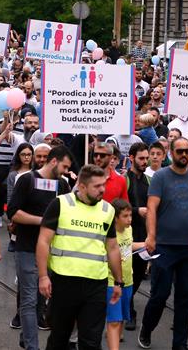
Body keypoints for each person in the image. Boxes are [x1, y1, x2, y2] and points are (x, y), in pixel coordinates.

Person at [36, 164, 122, 350]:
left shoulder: (108, 210)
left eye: (103, 185)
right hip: (65, 281)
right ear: (82, 186)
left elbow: (113, 247)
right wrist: (43, 276)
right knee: (59, 336)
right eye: (97, 186)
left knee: (91, 341)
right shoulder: (60, 204)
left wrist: (118, 281)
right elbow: (43, 241)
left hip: (96, 283)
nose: (102, 189)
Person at [138, 137, 188, 350]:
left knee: (186, 298)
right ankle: (147, 328)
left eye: (187, 151)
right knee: (160, 295)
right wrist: (151, 236)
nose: (184, 155)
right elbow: (151, 208)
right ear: (172, 153)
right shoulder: (161, 177)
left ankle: (180, 344)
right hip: (165, 247)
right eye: (180, 151)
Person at [7, 145, 74, 348]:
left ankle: (29, 336)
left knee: (46, 301)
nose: (65, 171)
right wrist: (43, 221)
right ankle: (32, 346)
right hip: (27, 248)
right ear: (53, 161)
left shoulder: (62, 185)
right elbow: (13, 212)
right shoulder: (27, 180)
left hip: (54, 251)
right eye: (64, 166)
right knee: (28, 300)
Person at [106, 199, 143, 350]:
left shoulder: (129, 229)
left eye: (130, 215)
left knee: (120, 319)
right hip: (111, 281)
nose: (130, 219)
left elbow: (129, 246)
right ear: (116, 218)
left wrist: (144, 244)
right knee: (114, 321)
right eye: (125, 216)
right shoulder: (109, 233)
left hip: (128, 279)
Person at [124, 142, 150, 331]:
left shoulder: (149, 181)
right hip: (126, 234)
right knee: (127, 274)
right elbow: (118, 206)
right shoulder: (124, 179)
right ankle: (129, 312)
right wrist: (136, 210)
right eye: (141, 158)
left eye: (146, 158)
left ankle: (128, 302)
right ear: (132, 158)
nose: (145, 161)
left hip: (144, 234)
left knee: (140, 273)